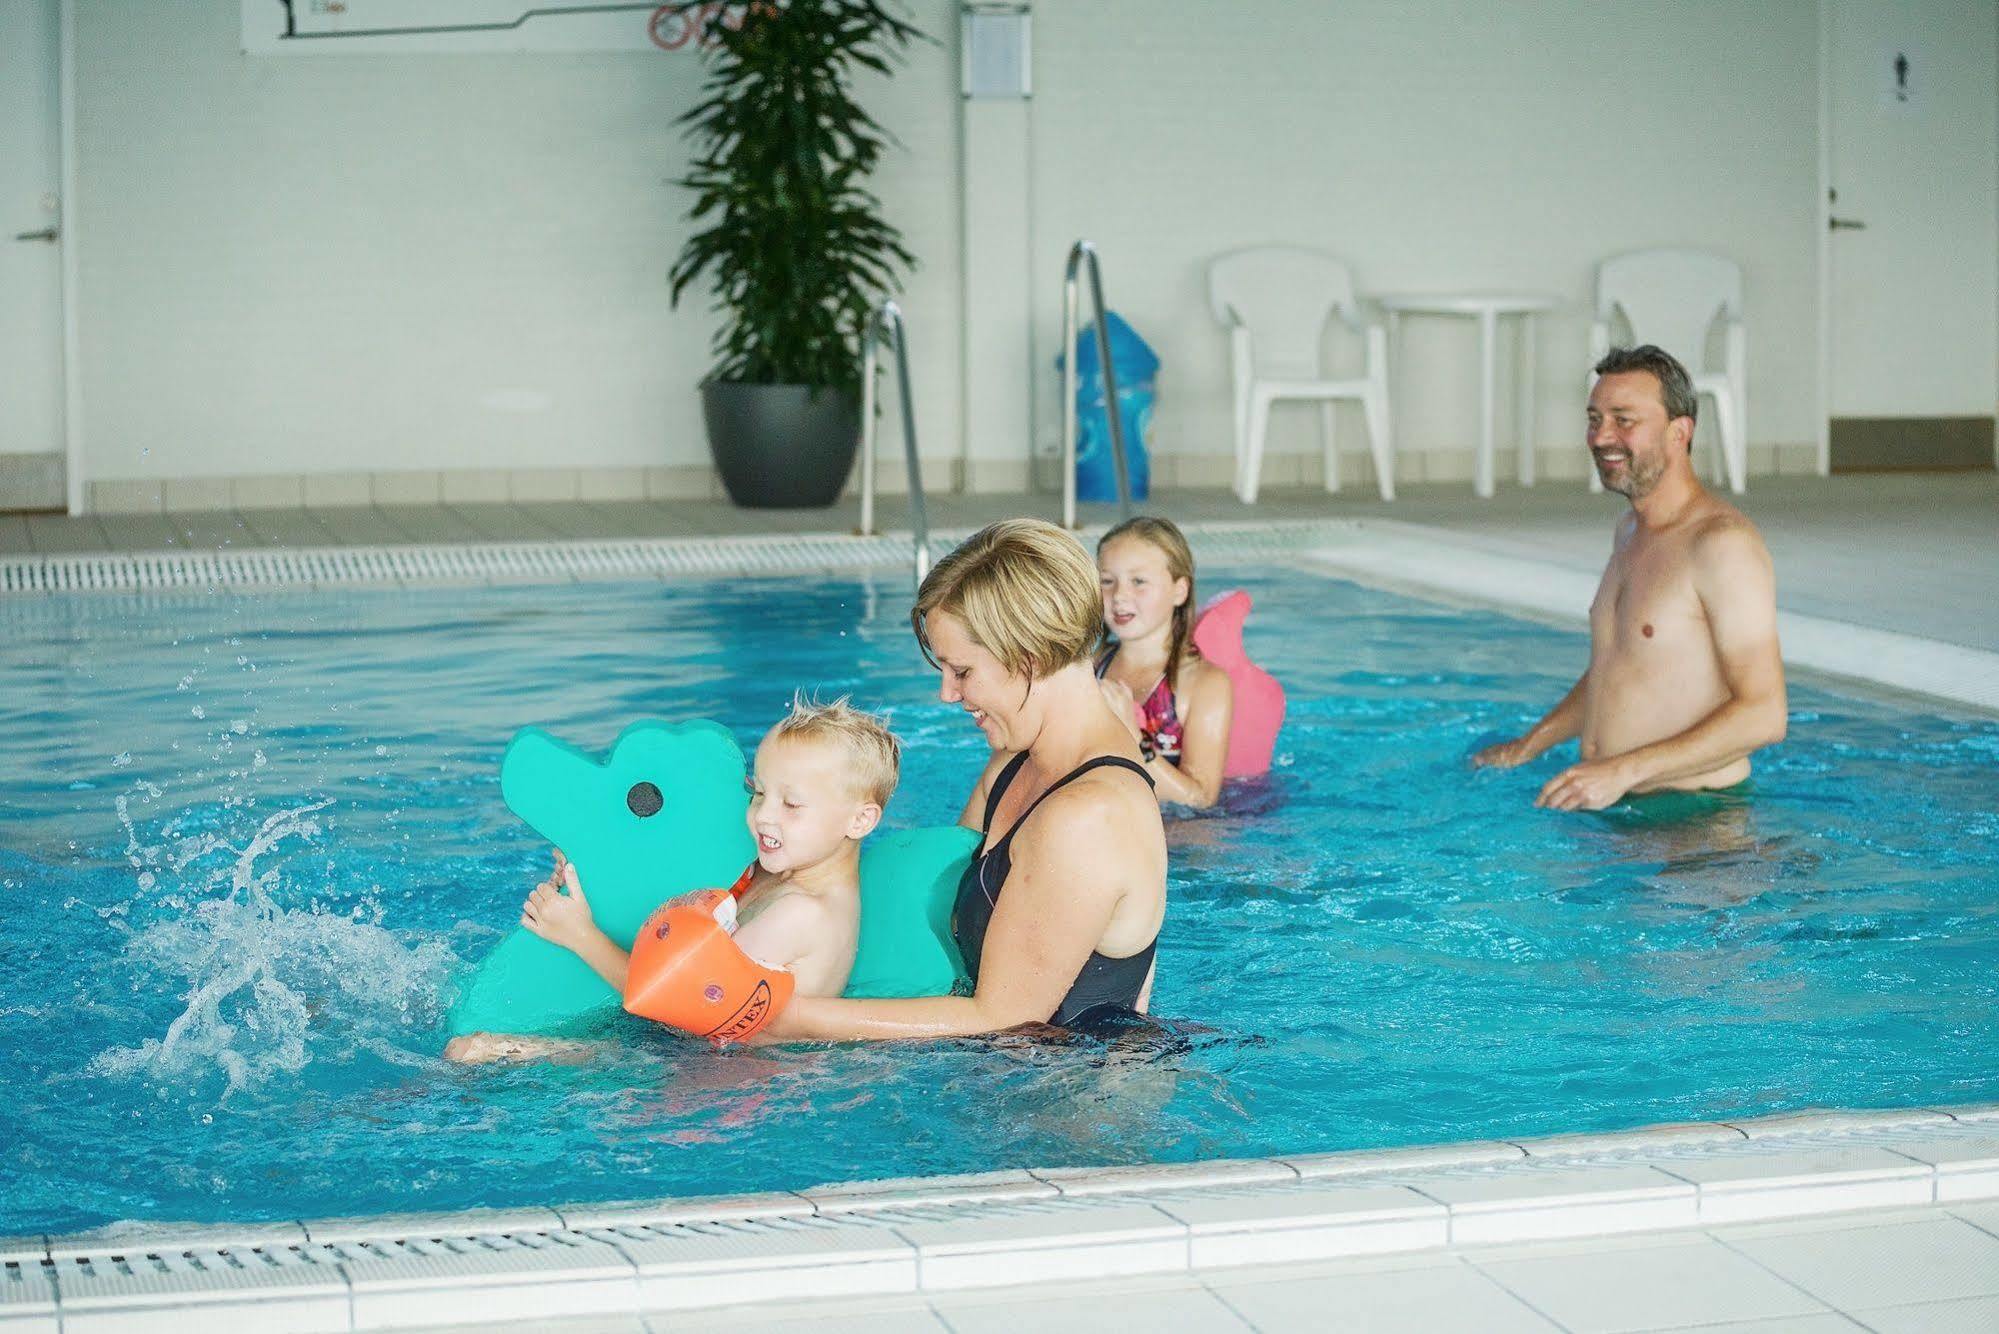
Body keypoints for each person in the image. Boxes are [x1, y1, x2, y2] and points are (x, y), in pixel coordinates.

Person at [757, 518, 1168, 1041]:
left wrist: (766, 1011)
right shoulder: (1016, 764)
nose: (947, 694)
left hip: (1068, 1110)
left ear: (1030, 658)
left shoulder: (1088, 817)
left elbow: (1004, 1020)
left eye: (963, 672)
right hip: (1001, 1083)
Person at [442, 697, 894, 1062]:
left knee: (469, 1053)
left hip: (713, 1070)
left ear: (860, 820)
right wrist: (597, 877)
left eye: (790, 805)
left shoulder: (803, 913)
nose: (762, 815)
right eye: (758, 793)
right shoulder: (787, 873)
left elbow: (676, 1003)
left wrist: (579, 935)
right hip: (689, 1047)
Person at [1473, 344, 1787, 811]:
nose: (1601, 438)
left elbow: (1765, 714)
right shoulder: (1629, 532)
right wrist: (1530, 746)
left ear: (1679, 432)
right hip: (1611, 806)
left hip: (1693, 826)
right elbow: (1619, 667)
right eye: (1595, 419)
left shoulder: (1722, 546)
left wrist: (1621, 771)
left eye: (1625, 420)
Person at [1094, 517, 1235, 808]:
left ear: (1179, 590)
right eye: (1107, 581)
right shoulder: (1090, 667)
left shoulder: (1204, 684)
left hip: (1177, 838)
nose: (1119, 595)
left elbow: (1200, 798)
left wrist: (1134, 737)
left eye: (1139, 581)